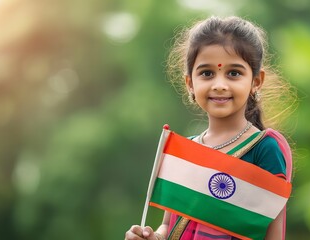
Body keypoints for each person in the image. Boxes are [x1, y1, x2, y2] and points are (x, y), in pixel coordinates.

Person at [125, 16, 296, 240]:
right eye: (207, 73)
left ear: (256, 82)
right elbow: (169, 225)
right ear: (190, 83)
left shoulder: (265, 148)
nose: (219, 85)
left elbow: (273, 234)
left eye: (234, 73)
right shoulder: (184, 152)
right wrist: (152, 237)